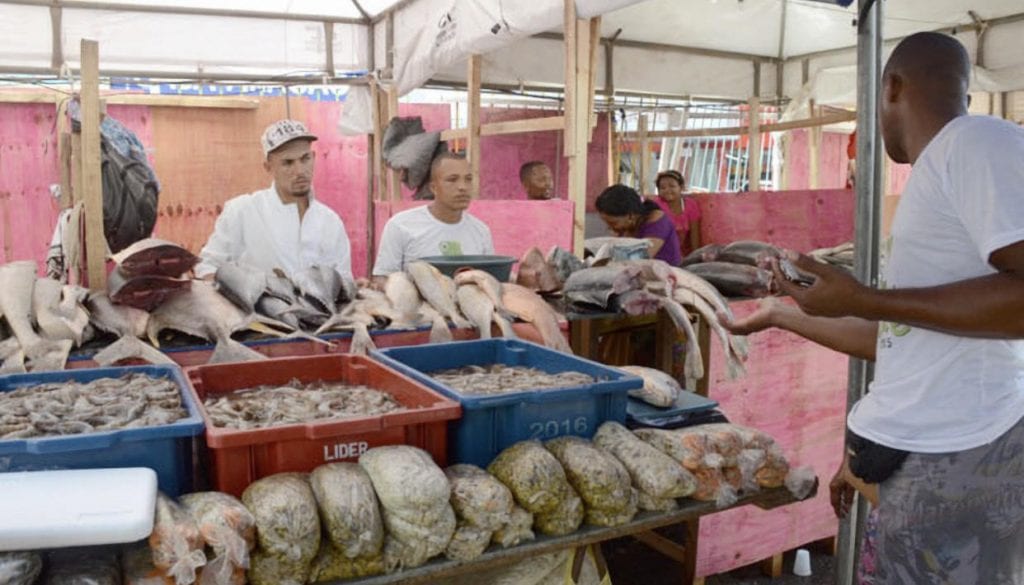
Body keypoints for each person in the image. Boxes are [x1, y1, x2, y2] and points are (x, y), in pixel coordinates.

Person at [719, 32, 1024, 583]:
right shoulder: (942, 170)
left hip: (959, 460)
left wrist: (863, 297)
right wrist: (787, 313)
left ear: (892, 87)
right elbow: (901, 338)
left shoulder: (976, 144)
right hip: (920, 461)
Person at [195, 119, 352, 280]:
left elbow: (343, 279)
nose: (299, 171)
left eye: (305, 159)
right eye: (288, 163)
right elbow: (207, 266)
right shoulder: (242, 211)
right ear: (268, 167)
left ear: (313, 157)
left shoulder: (330, 222)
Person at [373, 152, 495, 277]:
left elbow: (489, 278)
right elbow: (382, 278)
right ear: (433, 188)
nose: (462, 187)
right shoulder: (400, 225)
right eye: (452, 179)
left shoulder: (481, 232)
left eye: (468, 179)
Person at [595, 184, 682, 266]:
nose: (610, 227)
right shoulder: (626, 225)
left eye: (613, 223)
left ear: (630, 216)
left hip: (668, 274)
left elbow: (641, 257)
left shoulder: (658, 221)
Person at [653, 170, 702, 256]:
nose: (667, 190)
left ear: (681, 187)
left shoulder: (691, 205)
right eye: (663, 188)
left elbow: (694, 235)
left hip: (682, 253)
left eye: (672, 186)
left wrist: (695, 256)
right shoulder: (656, 205)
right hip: (661, 253)